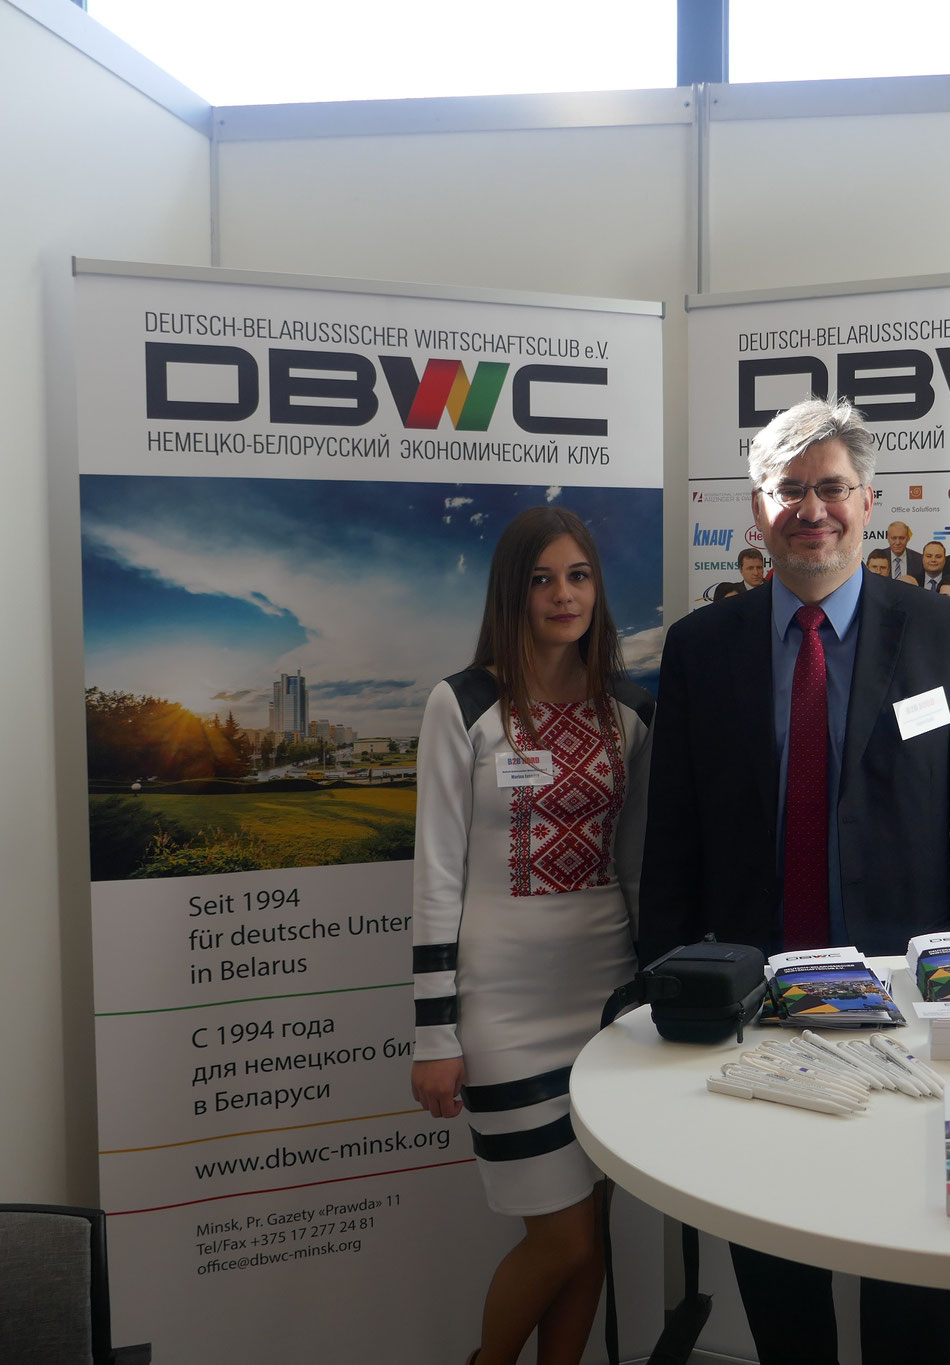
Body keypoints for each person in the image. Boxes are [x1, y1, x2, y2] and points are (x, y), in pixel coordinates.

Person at [639, 396, 950, 1365]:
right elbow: (672, 836)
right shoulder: (700, 648)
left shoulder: (942, 632)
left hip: (906, 1019)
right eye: (789, 490)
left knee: (909, 1289)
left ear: (867, 501)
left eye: (832, 488)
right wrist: (665, 993)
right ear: (758, 510)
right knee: (779, 1280)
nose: (812, 510)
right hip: (754, 1015)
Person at [410, 506, 653, 1365]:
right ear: (513, 592)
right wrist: (434, 1033)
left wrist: (650, 998)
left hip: (609, 1005)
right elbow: (436, 875)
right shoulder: (463, 704)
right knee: (562, 1237)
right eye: (543, 579)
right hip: (503, 1013)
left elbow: (637, 864)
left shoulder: (629, 710)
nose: (563, 595)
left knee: (591, 1231)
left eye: (578, 575)